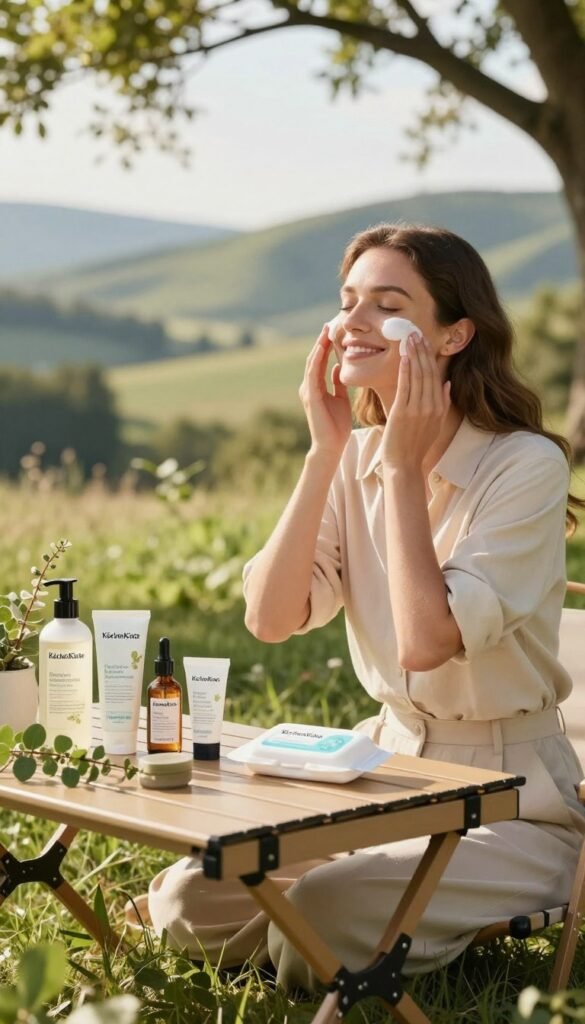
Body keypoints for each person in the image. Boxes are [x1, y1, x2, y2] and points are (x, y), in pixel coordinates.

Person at [140, 224, 585, 990]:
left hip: (515, 804)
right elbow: (271, 621)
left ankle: (312, 934)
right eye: (347, 302)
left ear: (452, 334)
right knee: (186, 900)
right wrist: (324, 452)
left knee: (323, 908)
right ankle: (312, 932)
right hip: (385, 770)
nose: (353, 322)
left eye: (386, 304)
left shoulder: (525, 465)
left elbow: (423, 643)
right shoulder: (351, 458)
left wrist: (405, 473)